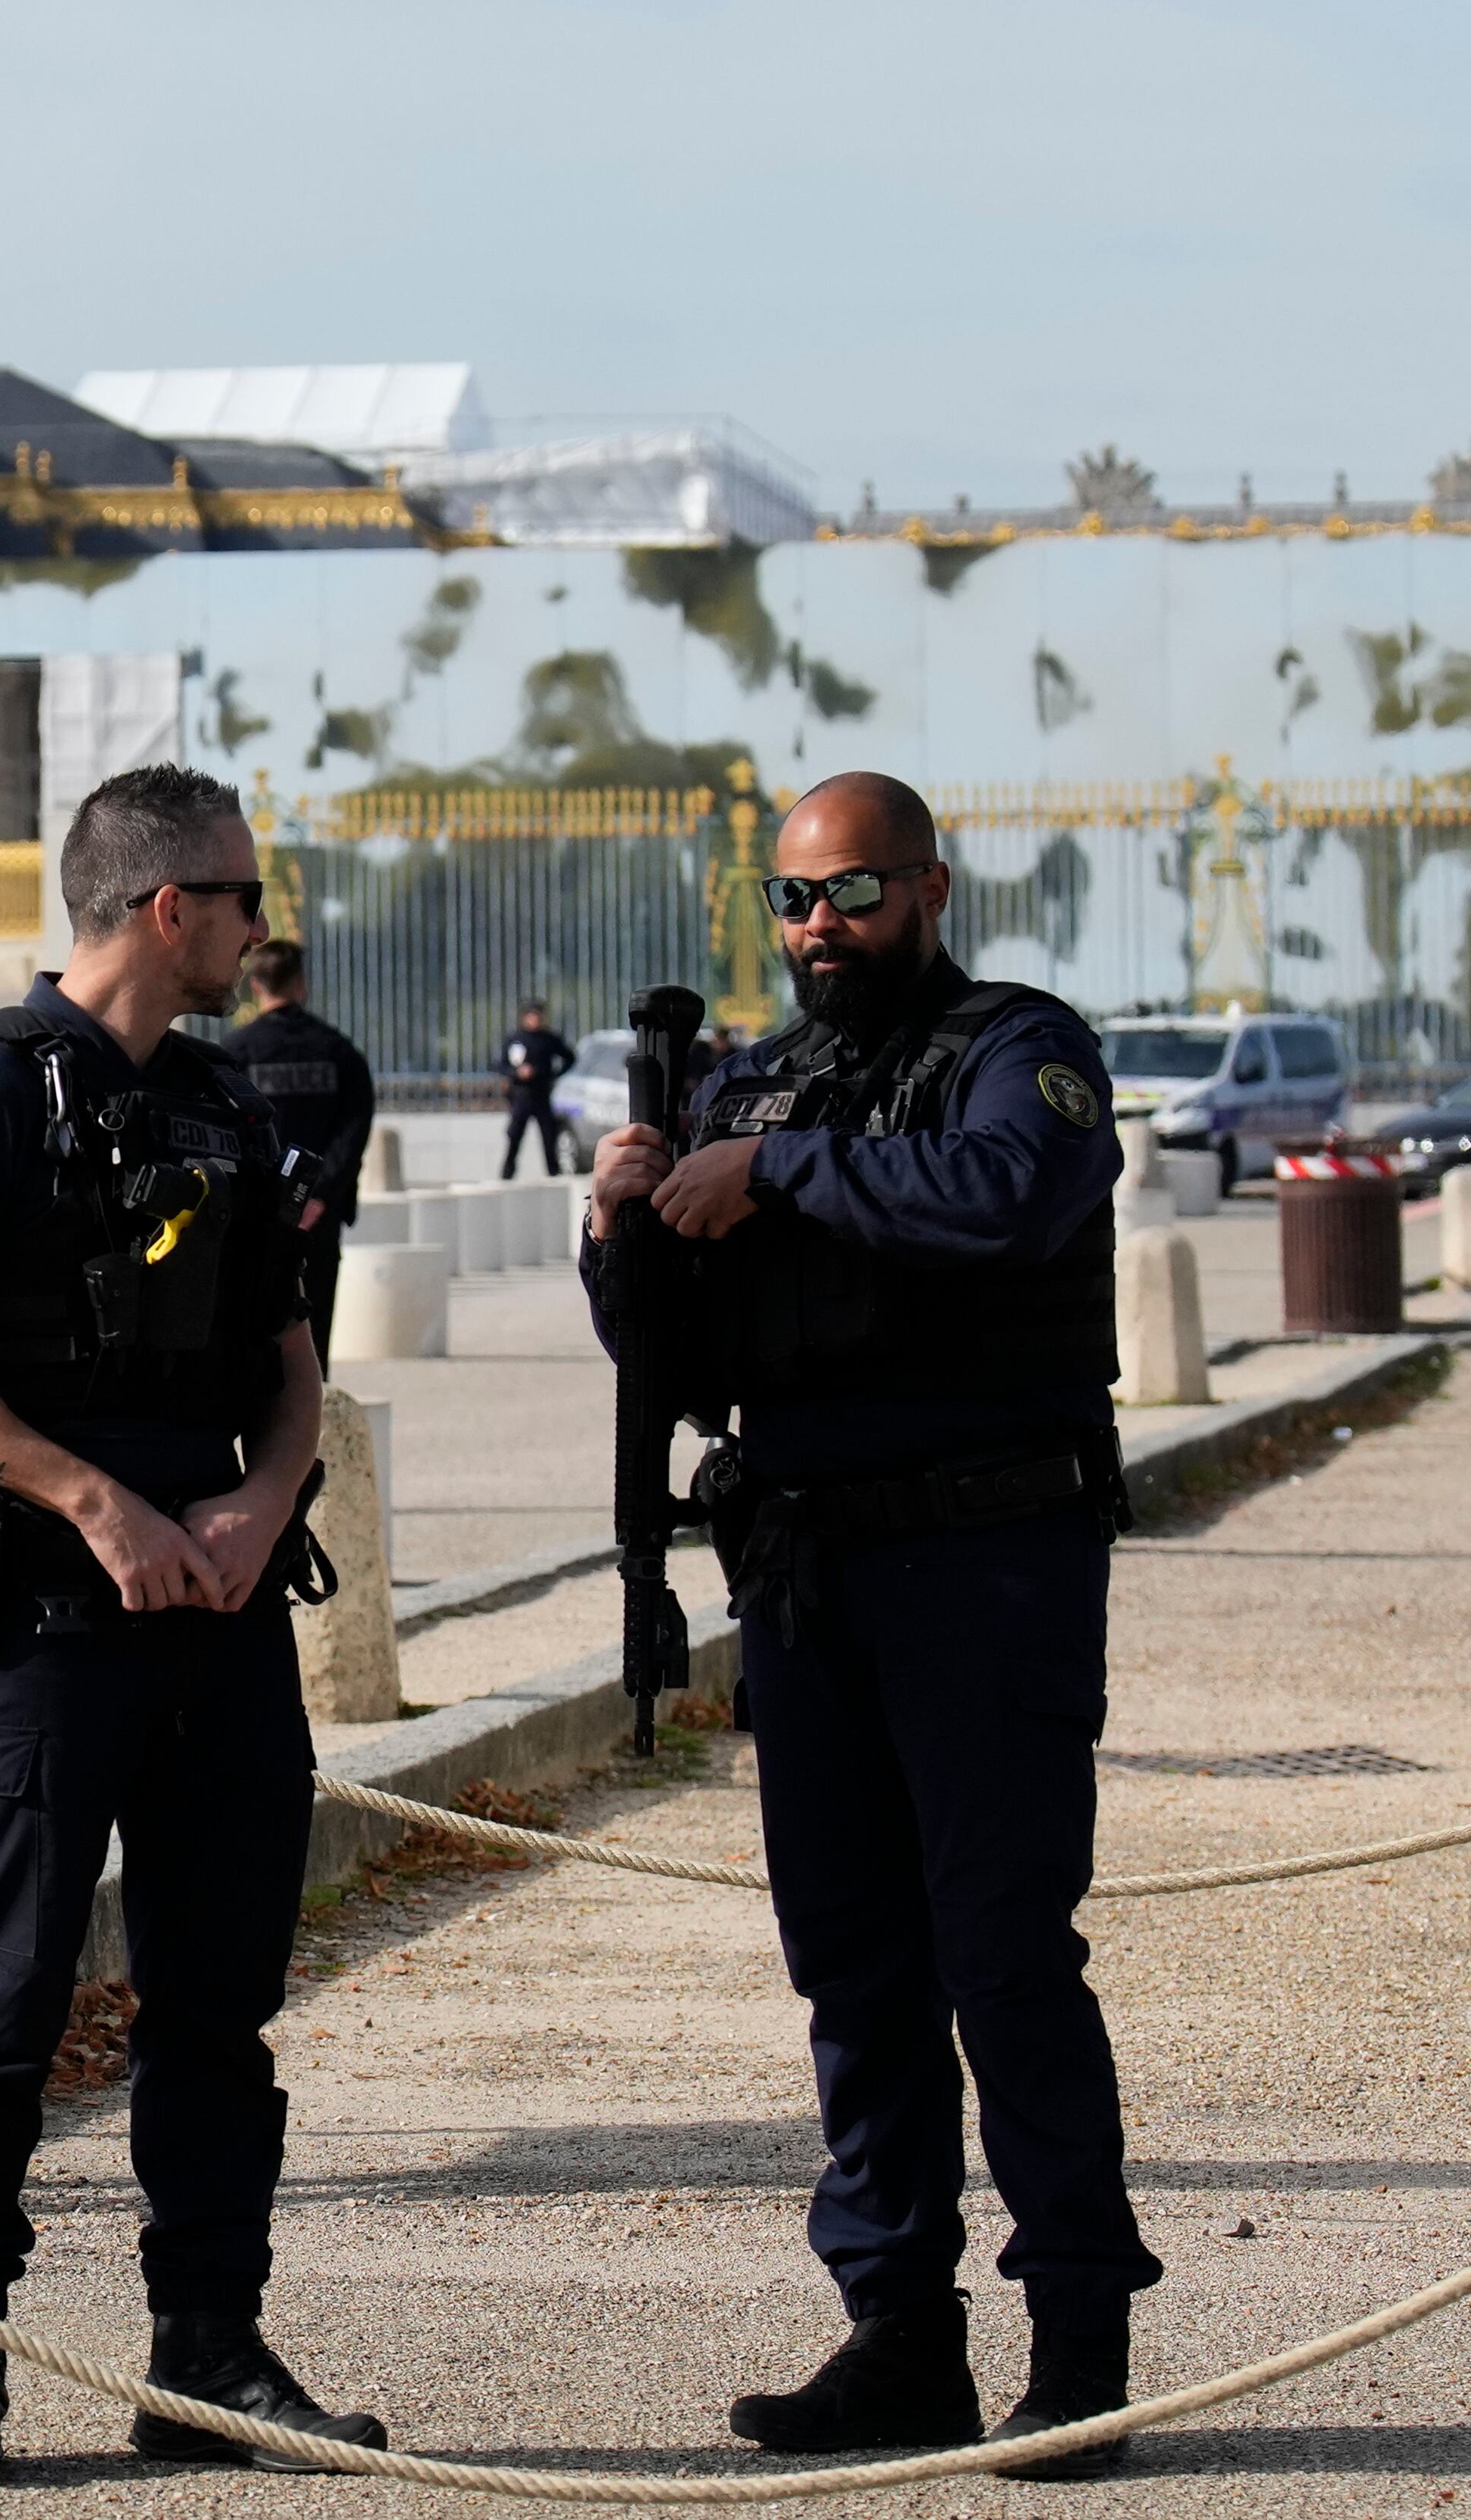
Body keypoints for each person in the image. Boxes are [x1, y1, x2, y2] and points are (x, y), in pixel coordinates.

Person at [584, 770, 1152, 2478]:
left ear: (926, 886)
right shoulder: (754, 1081)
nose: (819, 930)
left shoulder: (1010, 1046)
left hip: (987, 1569)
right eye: (793, 903)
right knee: (856, 1973)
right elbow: (675, 1361)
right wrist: (629, 1216)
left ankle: (1080, 2342)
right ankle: (899, 2334)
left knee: (1002, 1956)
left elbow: (1006, 1197)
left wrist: (783, 1168)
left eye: (850, 895)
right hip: (810, 1578)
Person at [0, 764, 383, 2483]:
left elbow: (295, 1377)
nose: (255, 927)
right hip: (45, 1626)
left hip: (217, 1623)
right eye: (237, 899)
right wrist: (95, 1501)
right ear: (170, 910)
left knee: (216, 2007)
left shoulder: (227, 1110)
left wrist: (254, 1506)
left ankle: (206, 2355)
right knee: (3, 1995)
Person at [226, 938, 378, 1365]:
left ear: (255, 986)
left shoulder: (235, 1054)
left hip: (253, 1218)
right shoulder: (340, 1052)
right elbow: (353, 1134)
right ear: (301, 984)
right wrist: (319, 1197)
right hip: (318, 1220)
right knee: (313, 1337)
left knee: (251, 1336)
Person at [499, 998, 577, 1176]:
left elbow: (569, 1058)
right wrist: (516, 1073)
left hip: (542, 1093)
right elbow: (501, 1065)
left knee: (549, 1135)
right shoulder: (515, 1039)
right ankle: (507, 1172)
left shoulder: (549, 1039)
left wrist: (552, 1075)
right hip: (521, 1095)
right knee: (515, 1134)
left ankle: (553, 1171)